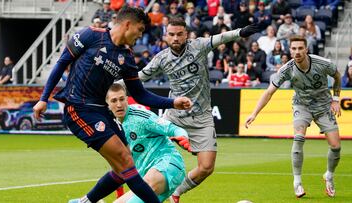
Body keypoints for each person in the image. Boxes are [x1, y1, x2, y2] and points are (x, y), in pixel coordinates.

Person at [32, 6, 192, 203]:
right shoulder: (89, 35)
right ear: (127, 24)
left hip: (102, 112)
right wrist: (43, 98)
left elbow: (140, 95)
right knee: (125, 161)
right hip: (78, 108)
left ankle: (85, 202)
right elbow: (61, 63)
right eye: (140, 29)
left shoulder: (127, 58)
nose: (140, 35)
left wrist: (173, 102)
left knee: (125, 164)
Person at [136, 18, 264, 202]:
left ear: (186, 34)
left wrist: (241, 32)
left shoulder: (199, 46)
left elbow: (221, 38)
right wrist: (113, 87)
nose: (176, 38)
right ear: (165, 36)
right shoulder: (161, 58)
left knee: (206, 168)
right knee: (152, 153)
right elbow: (139, 77)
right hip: (174, 117)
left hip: (202, 117)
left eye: (180, 34)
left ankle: (176, 191)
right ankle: (142, 190)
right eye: (171, 34)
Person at [245, 36, 342, 198]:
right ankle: (297, 182)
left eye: (300, 48)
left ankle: (329, 176)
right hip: (301, 105)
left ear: (306, 49)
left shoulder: (322, 63)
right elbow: (269, 92)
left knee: (336, 147)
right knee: (298, 137)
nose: (297, 52)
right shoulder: (286, 69)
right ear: (290, 51)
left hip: (323, 106)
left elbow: (337, 76)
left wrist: (336, 99)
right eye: (294, 49)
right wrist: (254, 113)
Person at [105, 83, 190, 203]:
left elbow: (173, 129)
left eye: (122, 99)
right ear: (107, 104)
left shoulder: (140, 117)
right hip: (145, 179)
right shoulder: (110, 127)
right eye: (114, 101)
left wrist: (183, 137)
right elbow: (118, 165)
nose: (119, 104)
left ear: (127, 99)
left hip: (168, 164)